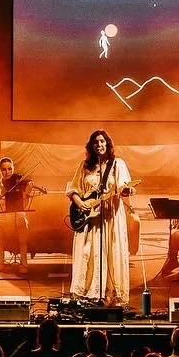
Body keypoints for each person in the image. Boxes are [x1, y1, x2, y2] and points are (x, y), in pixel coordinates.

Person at [66, 130, 135, 306]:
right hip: (90, 217)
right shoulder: (84, 165)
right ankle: (89, 292)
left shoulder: (117, 164)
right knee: (89, 251)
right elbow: (74, 188)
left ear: (108, 144)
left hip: (110, 216)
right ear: (91, 146)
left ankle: (108, 293)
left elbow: (124, 187)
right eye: (96, 142)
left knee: (109, 251)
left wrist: (126, 190)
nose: (99, 145)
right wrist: (79, 202)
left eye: (102, 141)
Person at [0, 156, 39, 274]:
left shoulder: (18, 182)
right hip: (3, 222)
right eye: (4, 169)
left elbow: (28, 187)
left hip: (18, 220)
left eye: (10, 169)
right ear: (0, 170)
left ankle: (24, 262)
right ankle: (0, 260)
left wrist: (29, 186)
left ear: (13, 169)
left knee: (22, 221)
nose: (7, 172)